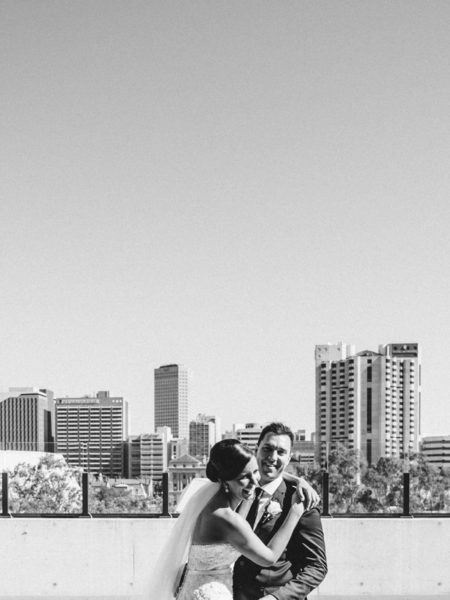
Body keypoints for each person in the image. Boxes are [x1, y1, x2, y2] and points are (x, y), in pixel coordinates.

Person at [148, 438, 316, 600]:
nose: (254, 482)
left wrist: (298, 480)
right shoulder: (226, 518)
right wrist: (295, 511)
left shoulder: (212, 501)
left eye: (255, 472)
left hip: (195, 589)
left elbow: (264, 473)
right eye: (244, 477)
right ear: (225, 479)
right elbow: (269, 558)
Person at [233, 422, 328, 600]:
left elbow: (317, 566)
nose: (272, 457)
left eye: (281, 452)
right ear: (256, 450)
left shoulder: (301, 501)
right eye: (267, 449)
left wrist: (278, 598)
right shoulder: (237, 491)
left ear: (289, 457)